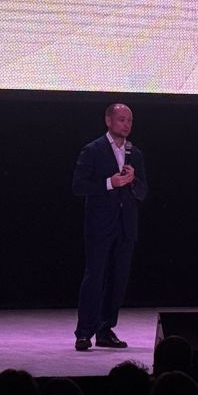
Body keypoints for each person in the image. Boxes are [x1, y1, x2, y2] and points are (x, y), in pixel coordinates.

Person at [71, 102, 149, 351]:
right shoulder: (93, 150)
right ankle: (84, 332)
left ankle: (105, 330)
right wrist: (109, 183)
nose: (126, 125)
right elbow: (78, 186)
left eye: (129, 120)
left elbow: (143, 192)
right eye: (121, 119)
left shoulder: (135, 153)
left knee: (118, 279)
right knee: (95, 276)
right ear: (108, 121)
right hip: (100, 226)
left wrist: (132, 180)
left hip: (126, 227)